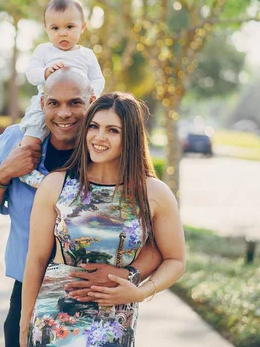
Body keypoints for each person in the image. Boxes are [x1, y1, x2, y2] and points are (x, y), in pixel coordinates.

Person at [0, 68, 161, 347]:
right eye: (54, 103)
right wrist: (5, 171)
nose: (64, 113)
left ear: (92, 101)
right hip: (28, 289)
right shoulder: (16, 141)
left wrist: (127, 276)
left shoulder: (103, 147)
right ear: (42, 103)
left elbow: (151, 238)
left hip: (93, 296)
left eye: (75, 103)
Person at [19, 92, 186, 347]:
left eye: (112, 131)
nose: (99, 137)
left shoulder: (154, 193)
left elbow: (175, 260)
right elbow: (36, 259)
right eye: (94, 127)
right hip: (54, 322)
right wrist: (25, 324)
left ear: (129, 138)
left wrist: (140, 291)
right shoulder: (56, 184)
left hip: (114, 324)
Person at [18, 0, 105, 189]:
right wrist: (45, 72)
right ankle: (28, 174)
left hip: (80, 105)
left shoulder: (86, 55)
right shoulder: (44, 51)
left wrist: (92, 92)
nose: (62, 33)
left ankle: (87, 176)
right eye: (55, 28)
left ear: (82, 27)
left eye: (69, 27)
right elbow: (31, 74)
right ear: (46, 29)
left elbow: (98, 78)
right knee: (31, 140)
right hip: (45, 104)